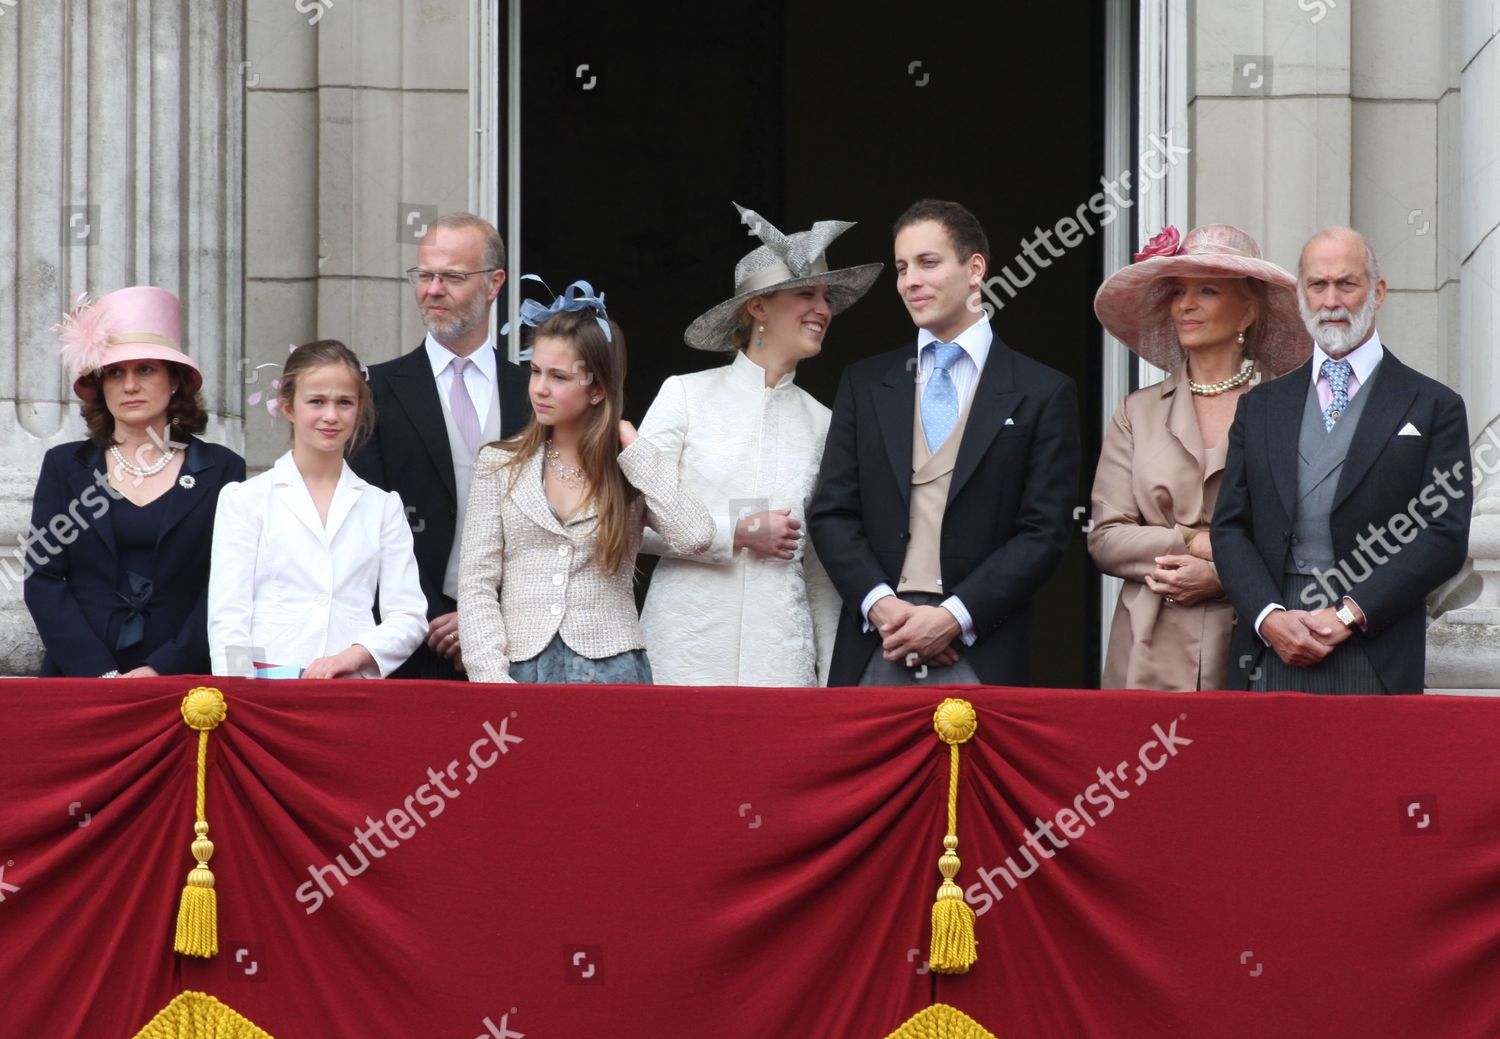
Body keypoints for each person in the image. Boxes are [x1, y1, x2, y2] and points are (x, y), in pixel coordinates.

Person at [808, 199, 1080, 686]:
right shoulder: (864, 383)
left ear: (975, 269)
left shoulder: (1043, 391)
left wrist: (956, 615)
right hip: (877, 641)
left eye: (927, 263)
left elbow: (1044, 533)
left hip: (980, 648)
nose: (910, 281)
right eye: (901, 267)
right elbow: (832, 512)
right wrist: (881, 605)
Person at [1212, 227, 1472, 695]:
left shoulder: (1433, 405)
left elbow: (1444, 533)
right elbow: (1230, 527)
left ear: (1378, 291)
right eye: (1317, 284)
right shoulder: (1261, 406)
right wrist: (1268, 617)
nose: (1331, 300)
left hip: (1376, 637)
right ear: (1300, 295)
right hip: (1273, 638)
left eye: (1346, 284)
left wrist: (1350, 612)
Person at [636, 204, 879, 686]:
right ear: (758, 307)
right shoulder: (685, 394)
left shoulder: (825, 422)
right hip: (683, 653)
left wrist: (834, 681)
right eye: (806, 294)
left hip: (781, 663)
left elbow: (821, 569)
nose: (824, 309)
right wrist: (736, 533)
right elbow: (628, 519)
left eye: (827, 297)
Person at [1088, 224, 1310, 690]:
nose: (1185, 305)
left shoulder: (1291, 406)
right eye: (1178, 291)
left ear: (1247, 311)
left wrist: (1225, 575)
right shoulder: (1137, 411)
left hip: (1256, 644)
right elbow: (1106, 538)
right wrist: (1191, 541)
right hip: (1148, 653)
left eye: (1206, 290)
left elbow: (1308, 536)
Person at [457, 286, 714, 684]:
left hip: (614, 672)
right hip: (521, 671)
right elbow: (476, 584)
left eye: (558, 376)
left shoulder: (629, 467)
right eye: (535, 371)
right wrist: (491, 678)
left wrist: (635, 447)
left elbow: (696, 535)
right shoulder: (499, 464)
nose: (539, 388)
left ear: (597, 389)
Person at [24, 286, 245, 677]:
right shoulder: (64, 466)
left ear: (174, 380)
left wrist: (162, 669)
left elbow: (229, 586)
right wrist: (100, 674)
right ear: (101, 385)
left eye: (145, 369)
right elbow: (42, 578)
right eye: (114, 372)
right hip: (79, 683)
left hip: (185, 684)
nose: (129, 386)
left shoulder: (223, 469)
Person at [349, 212, 531, 679]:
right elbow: (365, 519)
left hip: (522, 639)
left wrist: (489, 618)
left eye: (451, 276)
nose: (432, 290)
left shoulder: (534, 394)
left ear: (494, 283)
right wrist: (429, 616)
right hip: (409, 640)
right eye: (424, 275)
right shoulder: (374, 389)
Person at [208, 340, 427, 678]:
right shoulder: (245, 500)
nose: (331, 416)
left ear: (360, 408)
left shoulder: (383, 507)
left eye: (344, 403)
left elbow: (409, 615)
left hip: (353, 689)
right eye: (316, 401)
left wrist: (354, 656)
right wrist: (240, 694)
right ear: (288, 408)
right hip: (267, 692)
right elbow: (229, 617)